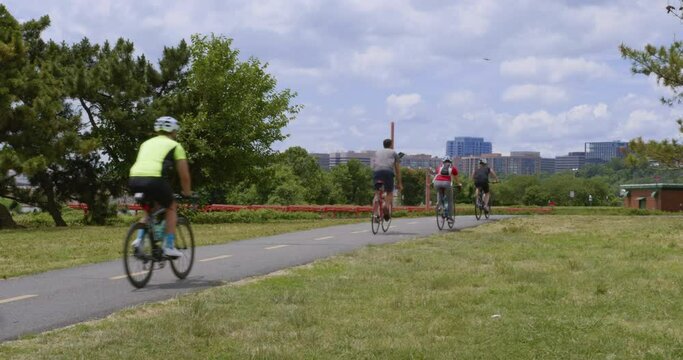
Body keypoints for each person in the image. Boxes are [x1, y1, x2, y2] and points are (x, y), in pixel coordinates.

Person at [128, 116, 192, 257]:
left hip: (133, 179)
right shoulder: (175, 146)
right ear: (174, 131)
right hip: (154, 179)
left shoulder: (145, 144)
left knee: (150, 211)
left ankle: (139, 240)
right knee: (171, 206)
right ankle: (168, 246)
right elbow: (185, 175)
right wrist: (187, 192)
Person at [372, 139, 402, 221]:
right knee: (389, 192)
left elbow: (373, 164)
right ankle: (385, 206)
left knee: (377, 193)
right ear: (391, 145)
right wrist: (399, 183)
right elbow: (397, 169)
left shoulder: (377, 152)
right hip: (388, 172)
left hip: (376, 172)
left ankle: (375, 215)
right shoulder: (394, 153)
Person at [433, 156, 462, 222]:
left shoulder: (439, 167)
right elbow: (456, 179)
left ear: (443, 162)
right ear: (450, 162)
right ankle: (449, 217)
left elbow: (436, 174)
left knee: (439, 194)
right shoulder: (453, 168)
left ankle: (440, 206)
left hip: (436, 183)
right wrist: (459, 184)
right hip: (446, 184)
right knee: (450, 200)